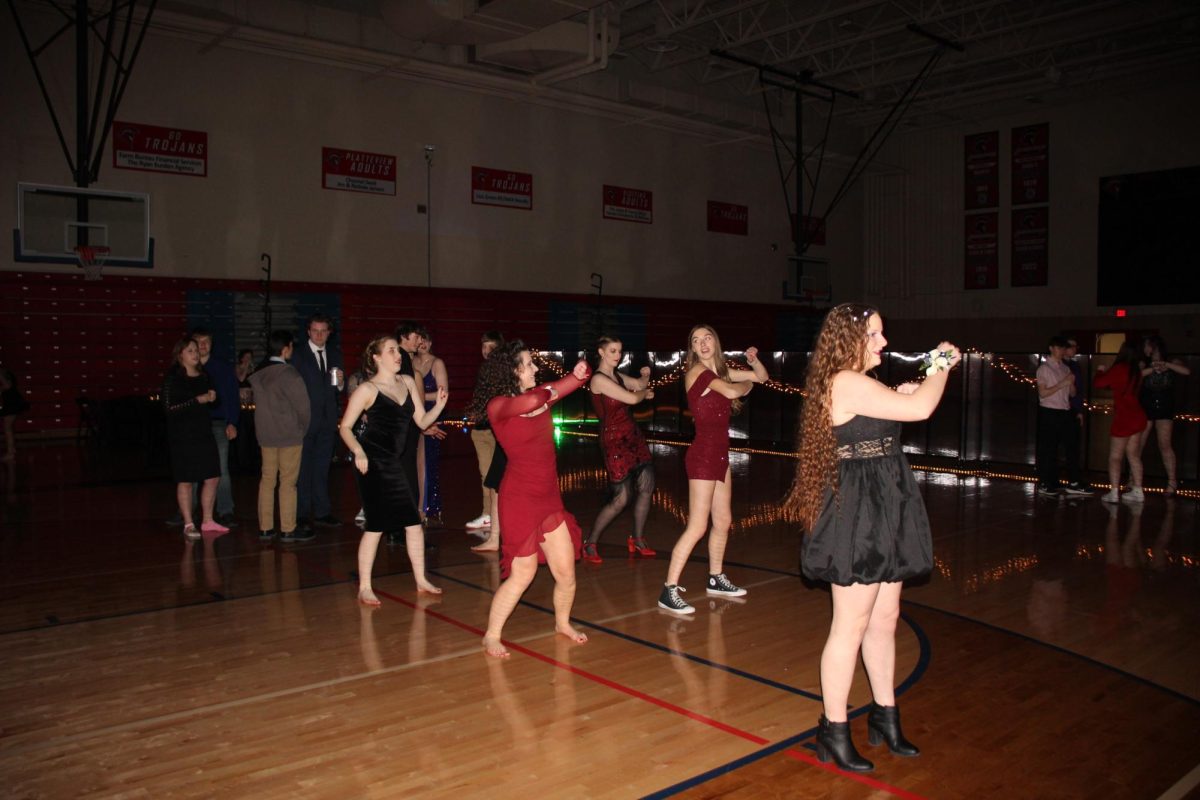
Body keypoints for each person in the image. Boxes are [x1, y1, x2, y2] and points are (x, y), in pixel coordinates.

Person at [784, 303, 959, 772]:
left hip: (885, 504)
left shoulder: (863, 383)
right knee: (851, 625)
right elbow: (921, 408)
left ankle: (885, 718)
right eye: (876, 335)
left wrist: (904, 389)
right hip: (857, 513)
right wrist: (940, 364)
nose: (884, 342)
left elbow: (891, 412)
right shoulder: (844, 380)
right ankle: (833, 731)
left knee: (886, 619)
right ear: (849, 340)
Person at [471, 341, 590, 657]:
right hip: (520, 500)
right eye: (528, 364)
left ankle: (562, 623)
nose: (536, 369)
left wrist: (579, 372)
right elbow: (536, 398)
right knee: (522, 574)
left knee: (566, 572)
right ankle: (491, 635)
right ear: (513, 371)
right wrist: (553, 390)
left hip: (549, 498)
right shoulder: (499, 406)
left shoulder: (538, 395)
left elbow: (576, 380)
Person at [657, 325, 767, 614]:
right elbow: (733, 390)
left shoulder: (721, 370)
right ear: (692, 349)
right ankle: (668, 590)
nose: (702, 344)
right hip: (703, 455)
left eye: (707, 338)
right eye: (696, 341)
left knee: (723, 520)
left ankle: (716, 577)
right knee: (697, 526)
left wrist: (754, 361)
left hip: (719, 455)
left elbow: (762, 377)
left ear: (715, 342)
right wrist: (745, 386)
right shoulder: (697, 373)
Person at [340, 336, 448, 603]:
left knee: (413, 523)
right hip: (372, 463)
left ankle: (421, 579)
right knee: (376, 525)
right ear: (377, 358)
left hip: (394, 463)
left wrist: (440, 406)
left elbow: (422, 421)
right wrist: (359, 452)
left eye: (398, 351)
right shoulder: (367, 389)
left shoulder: (408, 382)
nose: (398, 354)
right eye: (391, 351)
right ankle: (365, 586)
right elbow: (344, 427)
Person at [582, 335, 656, 564]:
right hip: (613, 440)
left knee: (647, 484)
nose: (618, 355)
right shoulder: (598, 380)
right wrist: (643, 394)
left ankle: (638, 538)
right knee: (621, 498)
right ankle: (590, 542)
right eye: (613, 351)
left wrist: (645, 376)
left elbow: (638, 386)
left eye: (620, 351)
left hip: (632, 435)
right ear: (602, 353)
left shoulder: (616, 376)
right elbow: (633, 399)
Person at [249, 331, 312, 541]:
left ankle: (265, 527)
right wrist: (302, 428)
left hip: (266, 435)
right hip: (289, 435)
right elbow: (304, 408)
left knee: (267, 481)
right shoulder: (289, 374)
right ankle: (287, 528)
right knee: (288, 483)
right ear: (285, 349)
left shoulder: (258, 374)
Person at [162, 336, 227, 538]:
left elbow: (213, 405)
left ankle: (207, 519)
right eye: (190, 351)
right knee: (186, 479)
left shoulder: (203, 375)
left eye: (196, 351)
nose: (195, 354)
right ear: (180, 354)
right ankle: (189, 523)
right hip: (182, 435)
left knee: (213, 476)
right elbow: (168, 408)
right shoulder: (173, 378)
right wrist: (196, 400)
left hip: (203, 432)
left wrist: (213, 398)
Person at [294, 313, 344, 529]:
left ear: (329, 333)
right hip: (304, 422)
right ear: (308, 332)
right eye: (315, 330)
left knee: (323, 468)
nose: (319, 334)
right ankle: (303, 513)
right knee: (303, 469)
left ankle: (323, 512)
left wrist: (341, 384)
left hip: (327, 421)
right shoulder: (298, 355)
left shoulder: (334, 354)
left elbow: (336, 390)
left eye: (323, 331)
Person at [192, 328, 241, 527]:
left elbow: (232, 396)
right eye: (199, 341)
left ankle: (226, 510)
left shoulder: (221, 367)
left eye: (207, 341)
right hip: (193, 424)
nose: (203, 345)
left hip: (219, 422)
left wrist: (232, 422)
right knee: (192, 469)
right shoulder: (187, 367)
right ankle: (189, 510)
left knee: (221, 469)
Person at [1035, 335, 1090, 497]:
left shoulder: (1066, 369)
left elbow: (1072, 392)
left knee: (1071, 447)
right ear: (1052, 348)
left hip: (1064, 411)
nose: (1061, 351)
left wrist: (1071, 384)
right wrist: (1062, 384)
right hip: (1049, 411)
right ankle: (1046, 482)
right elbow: (1043, 393)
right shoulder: (1044, 369)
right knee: (1049, 448)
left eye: (1062, 348)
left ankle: (1071, 481)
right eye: (1058, 348)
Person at [1094, 339, 1147, 504]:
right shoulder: (1136, 371)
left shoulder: (1119, 368)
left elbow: (1099, 383)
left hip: (1124, 417)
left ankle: (1114, 492)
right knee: (1134, 456)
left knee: (1115, 457)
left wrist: (1100, 371)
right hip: (1138, 416)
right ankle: (1138, 491)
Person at [1138, 335, 1190, 496]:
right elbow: (1137, 375)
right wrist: (1153, 368)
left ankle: (1172, 482)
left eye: (1147, 346)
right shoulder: (1143, 363)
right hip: (1146, 407)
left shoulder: (1171, 361)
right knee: (1138, 445)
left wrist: (1166, 365)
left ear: (1154, 347)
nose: (1145, 349)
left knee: (1165, 445)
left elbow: (1186, 371)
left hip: (1165, 409)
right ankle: (1134, 480)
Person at [467, 331, 505, 532]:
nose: (486, 352)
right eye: (484, 347)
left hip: (499, 431)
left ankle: (498, 514)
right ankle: (488, 514)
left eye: (491, 348)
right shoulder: (484, 370)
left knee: (499, 475)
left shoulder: (504, 373)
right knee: (486, 474)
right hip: (482, 430)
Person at [413, 330, 448, 526]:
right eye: (420, 340)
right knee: (416, 463)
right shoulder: (410, 363)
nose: (423, 343)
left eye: (426, 339)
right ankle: (422, 507)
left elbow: (443, 393)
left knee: (427, 463)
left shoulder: (437, 363)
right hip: (415, 416)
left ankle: (425, 508)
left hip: (432, 416)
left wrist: (419, 396)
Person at [0, 363, 29, 463]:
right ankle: (12, 450)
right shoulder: (9, 383)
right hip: (13, 406)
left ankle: (10, 453)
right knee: (9, 428)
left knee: (7, 429)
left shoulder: (6, 383)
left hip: (11, 407)